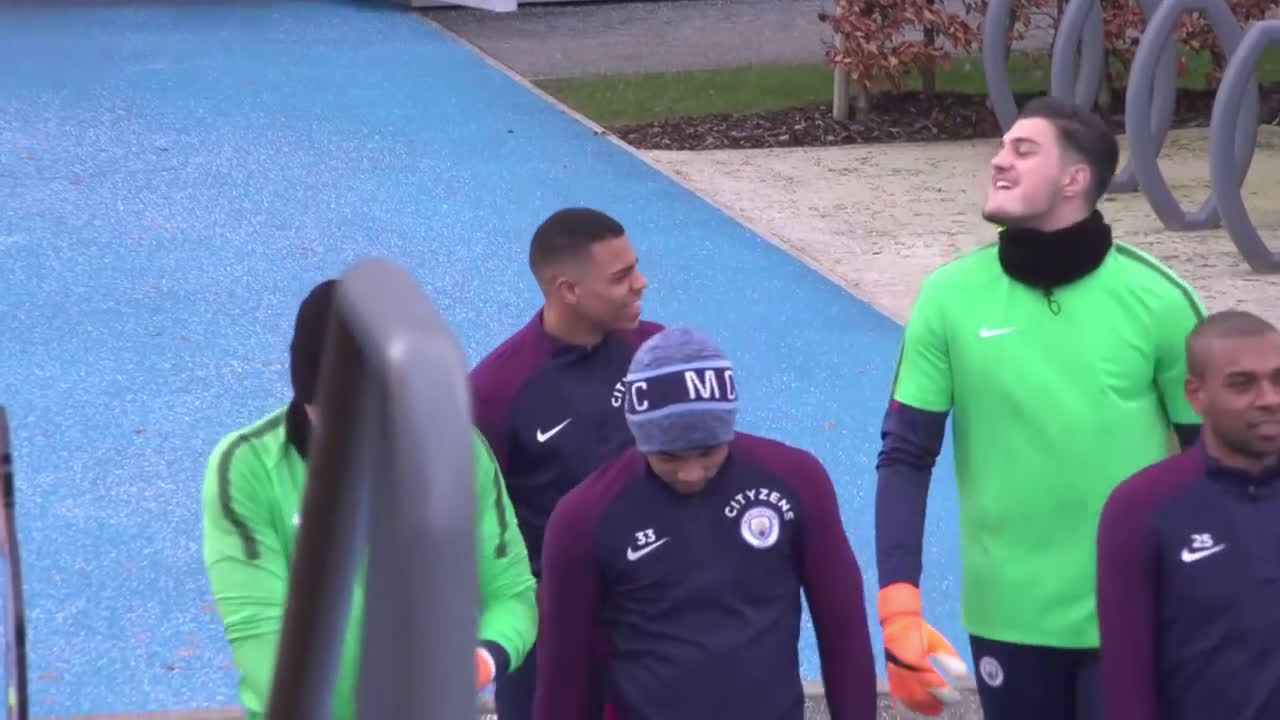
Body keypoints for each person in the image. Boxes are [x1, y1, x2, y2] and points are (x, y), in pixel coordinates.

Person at [873, 95, 1207, 720]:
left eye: (1023, 151)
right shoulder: (948, 297)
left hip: (1137, 613)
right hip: (1007, 615)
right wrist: (898, 608)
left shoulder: (1162, 301)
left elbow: (1218, 466)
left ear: (1074, 179)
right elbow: (905, 455)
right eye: (1002, 147)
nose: (998, 160)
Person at [201, 279, 538, 720]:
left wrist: (478, 662)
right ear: (306, 398)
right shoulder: (244, 468)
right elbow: (268, 652)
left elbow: (513, 595)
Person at [533, 327, 878, 720]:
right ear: (638, 436)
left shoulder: (797, 482)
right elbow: (564, 677)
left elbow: (843, 629)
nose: (691, 473)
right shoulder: (583, 518)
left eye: (708, 452)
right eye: (668, 457)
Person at [470, 207, 664, 720]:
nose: (641, 283)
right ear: (568, 290)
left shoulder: (658, 353)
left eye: (635, 268)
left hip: (656, 618)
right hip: (554, 640)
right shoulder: (495, 392)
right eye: (621, 277)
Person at [1097, 309, 1280, 720]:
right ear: (1196, 395)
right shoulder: (1141, 507)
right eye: (1242, 384)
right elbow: (1127, 678)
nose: (1270, 398)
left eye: (1279, 379)